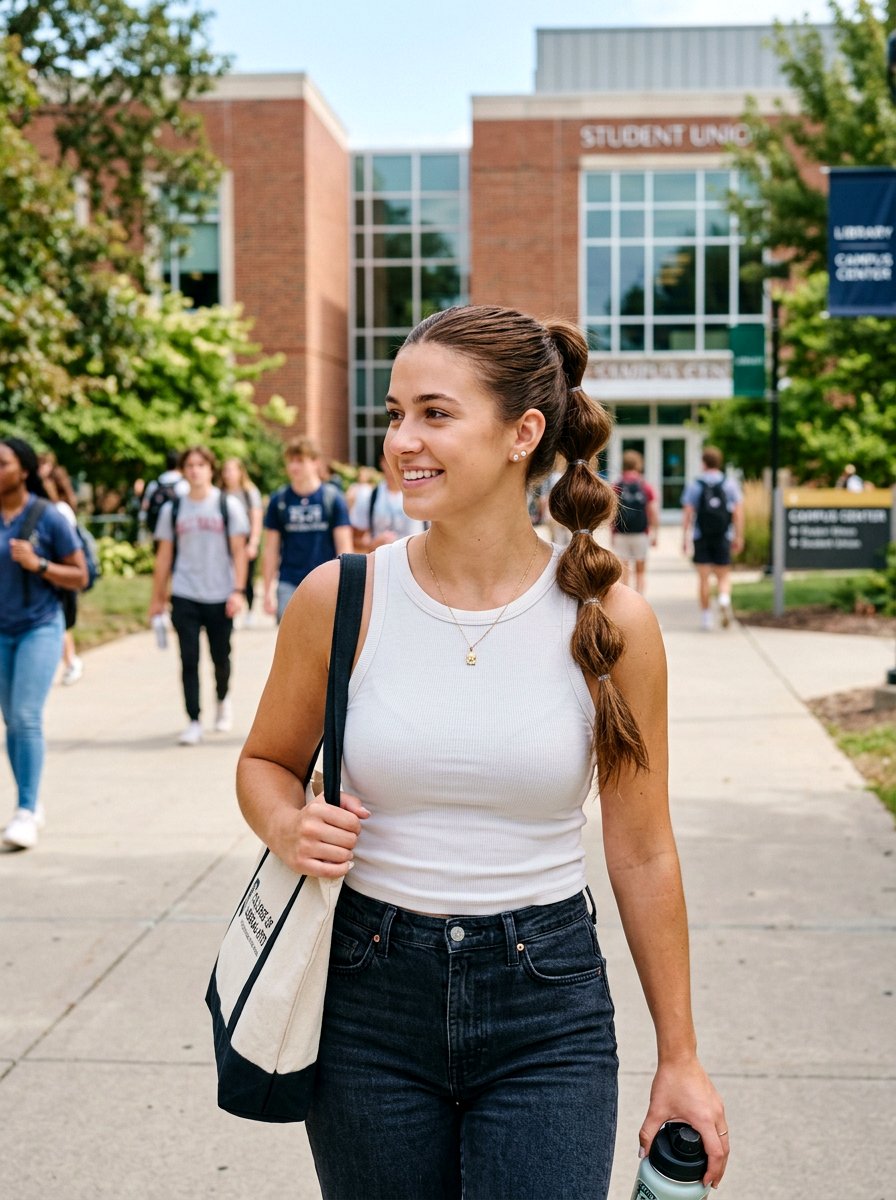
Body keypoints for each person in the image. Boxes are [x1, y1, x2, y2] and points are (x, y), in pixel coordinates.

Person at [236, 305, 728, 1199]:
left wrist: (681, 1056)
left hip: (548, 1009)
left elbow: (644, 848)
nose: (402, 441)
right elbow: (265, 761)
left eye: (435, 413)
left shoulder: (611, 621)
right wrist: (286, 821)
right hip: (366, 1000)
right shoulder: (340, 597)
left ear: (522, 433)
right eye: (393, 414)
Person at [0, 437, 87, 850]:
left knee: (26, 715)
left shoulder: (47, 516)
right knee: (12, 721)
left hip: (40, 625)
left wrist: (40, 565)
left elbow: (80, 575)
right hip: (2, 630)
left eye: (3, 463)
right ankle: (29, 806)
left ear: (24, 470)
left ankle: (25, 810)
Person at [148, 446, 249, 746]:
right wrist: (158, 597)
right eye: (189, 465)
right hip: (185, 593)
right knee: (188, 659)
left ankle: (222, 700)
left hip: (220, 593)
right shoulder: (173, 509)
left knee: (221, 657)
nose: (194, 470)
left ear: (210, 469)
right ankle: (193, 719)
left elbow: (239, 552)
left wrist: (238, 590)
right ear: (183, 471)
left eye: (200, 465)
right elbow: (164, 556)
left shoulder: (226, 505)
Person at [262, 437, 353, 622]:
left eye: (300, 461)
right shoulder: (279, 500)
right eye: (291, 461)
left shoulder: (332, 498)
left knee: (325, 642)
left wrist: (346, 586)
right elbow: (271, 548)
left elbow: (344, 545)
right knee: (290, 644)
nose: (294, 467)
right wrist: (267, 590)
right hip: (289, 581)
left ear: (315, 463)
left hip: (325, 582)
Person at [681, 446, 744, 631]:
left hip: (701, 536)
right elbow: (738, 513)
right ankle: (724, 600)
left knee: (703, 579)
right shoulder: (730, 484)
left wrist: (684, 538)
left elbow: (688, 513)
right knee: (723, 576)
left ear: (704, 463)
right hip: (723, 535)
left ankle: (706, 618)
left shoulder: (695, 485)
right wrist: (738, 536)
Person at [38, 457, 84, 685]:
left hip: (59, 576)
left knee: (61, 620)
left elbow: (73, 556)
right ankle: (70, 660)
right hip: (43, 578)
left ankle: (71, 661)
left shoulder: (58, 513)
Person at [220, 457, 263, 624]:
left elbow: (256, 518)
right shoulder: (221, 494)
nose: (228, 474)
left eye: (232, 470)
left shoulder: (249, 492)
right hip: (226, 543)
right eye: (225, 470)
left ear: (240, 472)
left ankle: (250, 610)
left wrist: (253, 542)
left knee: (247, 578)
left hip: (244, 541)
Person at [354, 453, 425, 550]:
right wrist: (372, 545)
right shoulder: (369, 496)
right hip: (381, 560)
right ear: (382, 462)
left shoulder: (423, 494)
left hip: (416, 560)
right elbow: (355, 538)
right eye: (391, 459)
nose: (397, 464)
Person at [612, 449, 659, 595]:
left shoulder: (617, 485)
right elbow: (653, 512)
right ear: (639, 465)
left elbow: (612, 513)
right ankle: (640, 598)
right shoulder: (645, 486)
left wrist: (612, 533)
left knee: (624, 569)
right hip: (640, 533)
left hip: (621, 533)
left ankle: (626, 599)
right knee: (640, 570)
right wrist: (655, 533)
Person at [143, 450, 189, 542]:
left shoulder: (154, 484)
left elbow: (145, 506)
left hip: (156, 532)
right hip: (177, 534)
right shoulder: (183, 485)